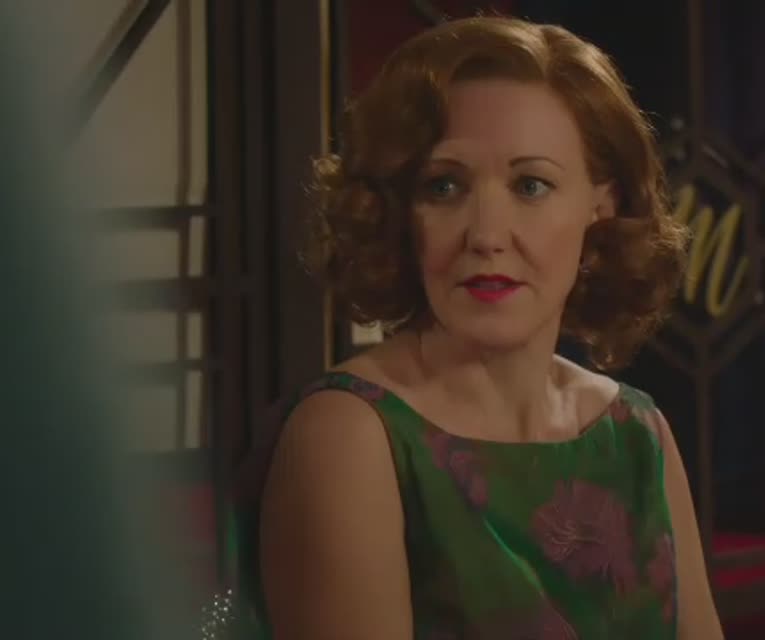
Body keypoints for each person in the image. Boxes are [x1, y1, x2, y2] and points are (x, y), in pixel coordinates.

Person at [235, 15, 723, 639]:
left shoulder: (636, 432)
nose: (487, 235)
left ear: (600, 207)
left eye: (530, 185)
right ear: (398, 211)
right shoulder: (350, 436)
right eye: (444, 186)